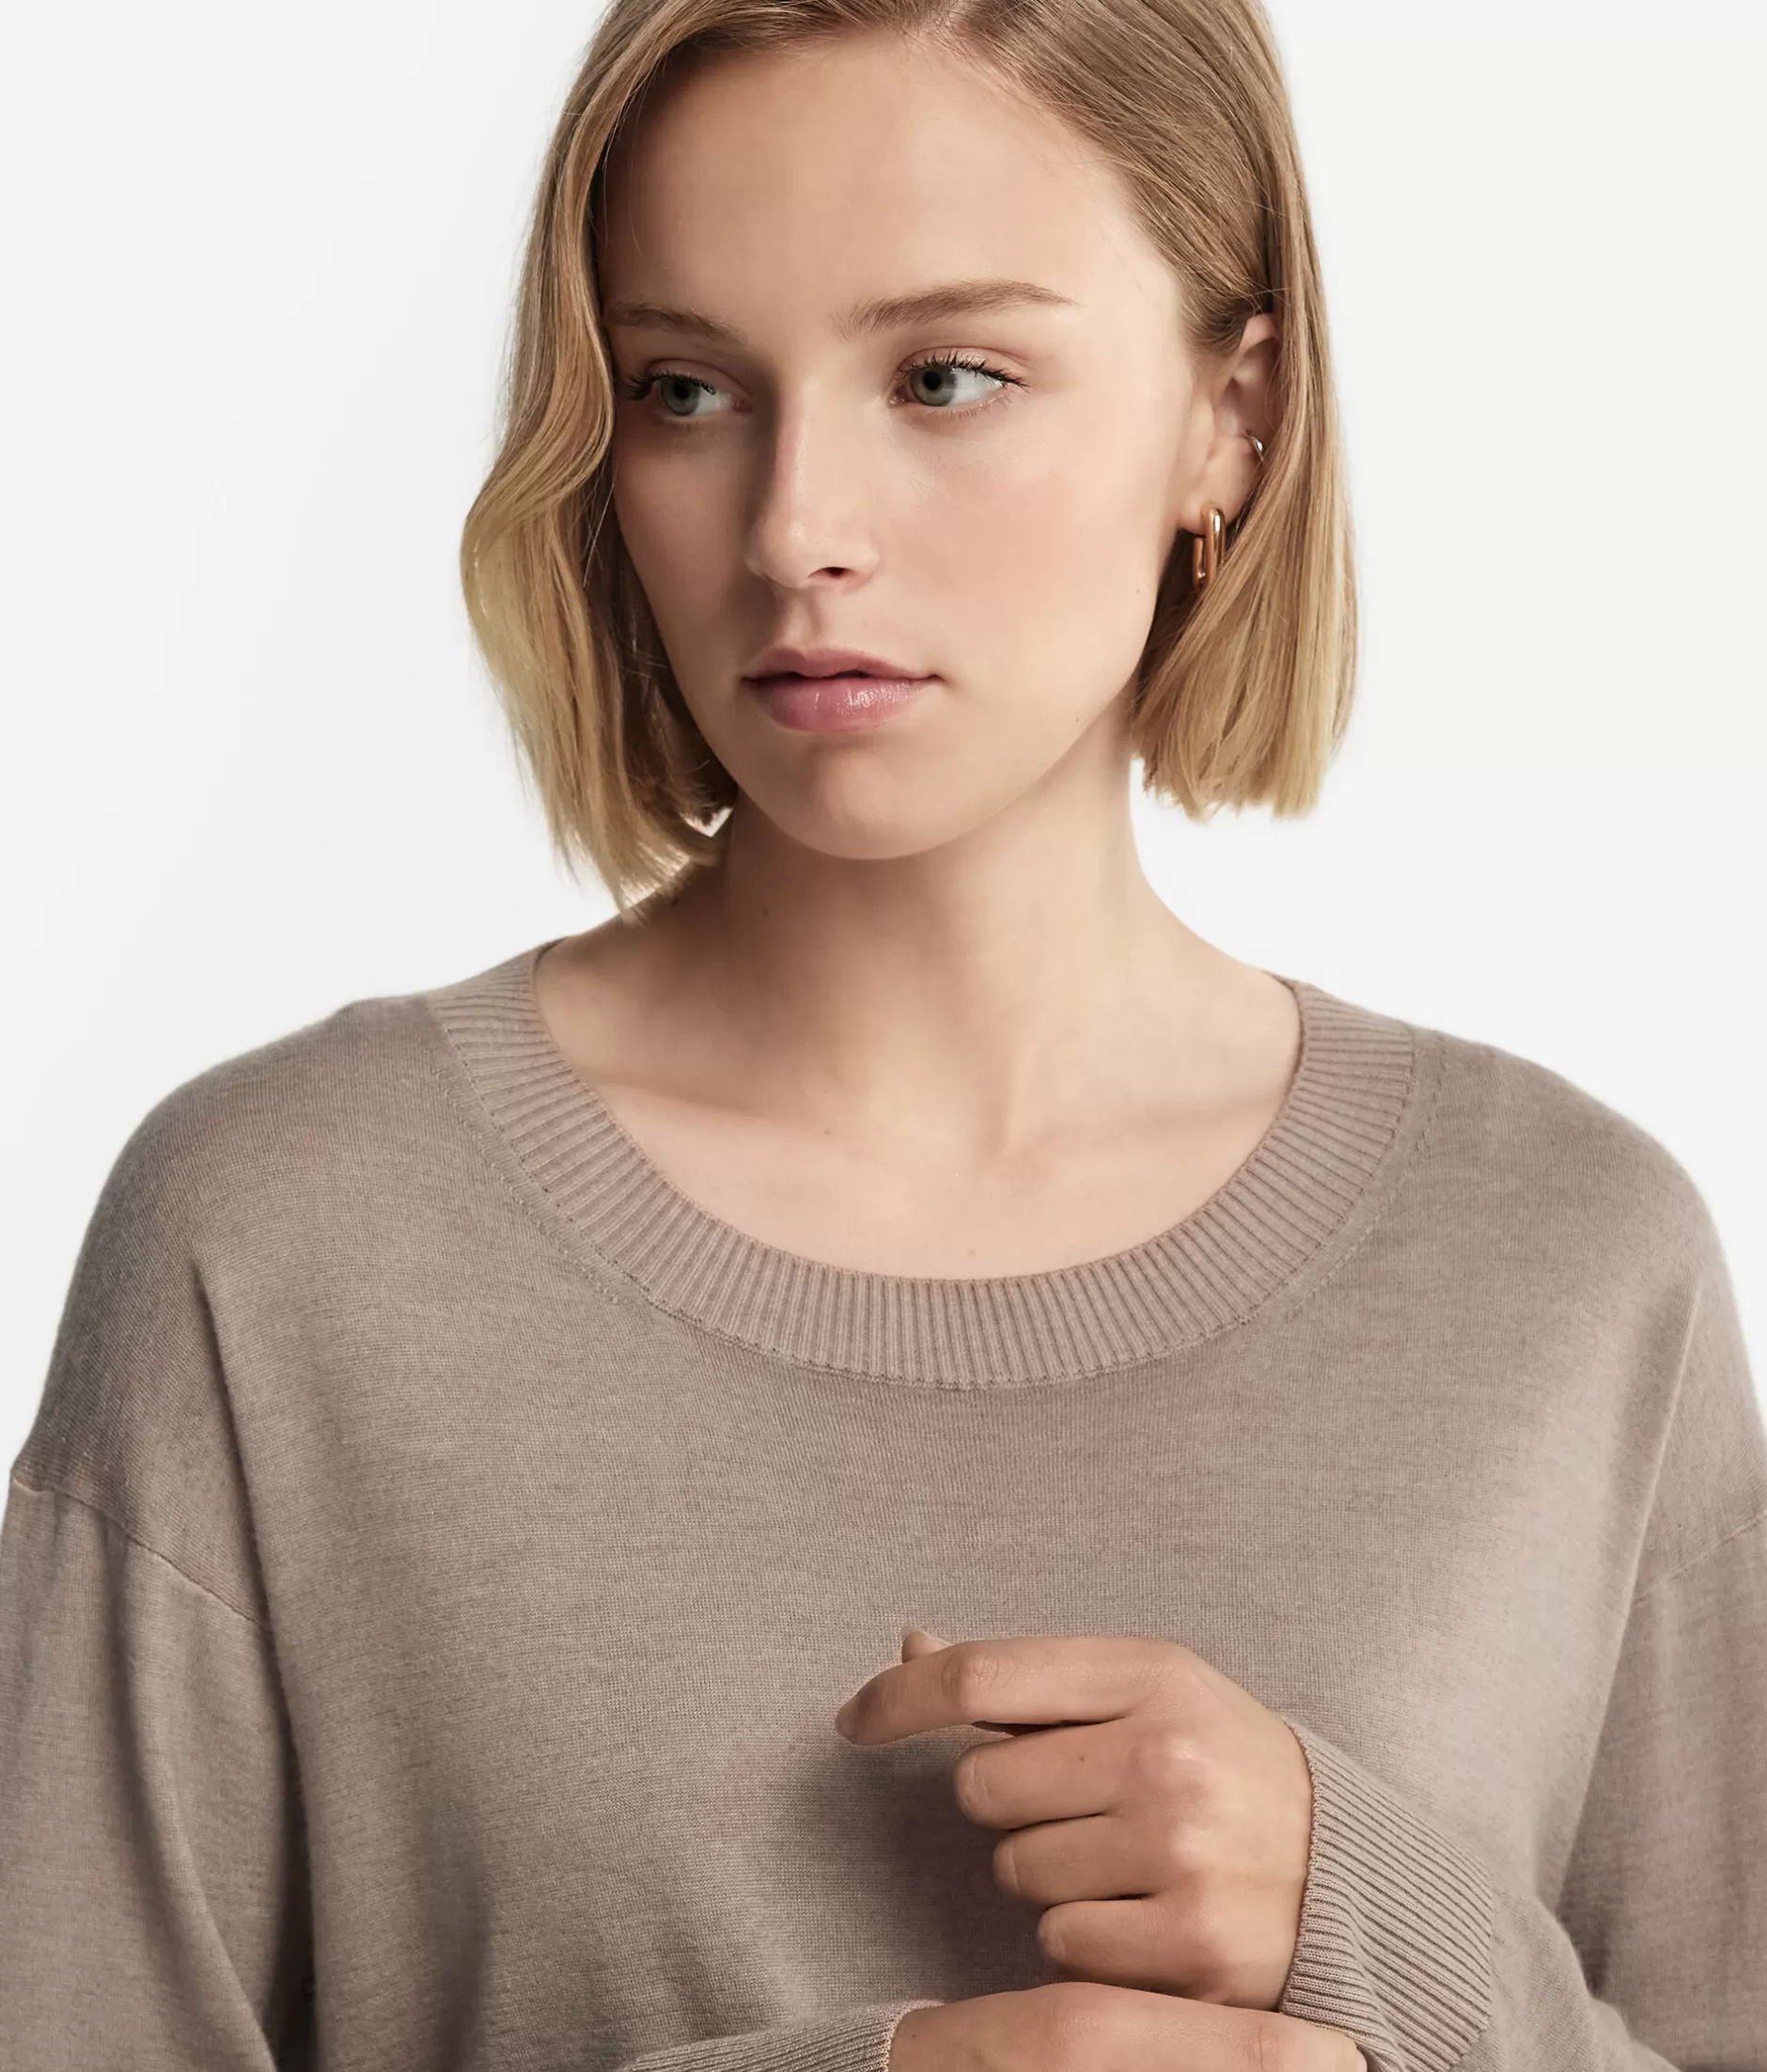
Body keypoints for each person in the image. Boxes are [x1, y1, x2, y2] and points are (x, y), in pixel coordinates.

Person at [2, 3, 1761, 2068]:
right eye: (684, 390)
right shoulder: (285, 1244)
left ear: (1233, 419)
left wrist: (1374, 1920)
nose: (790, 528)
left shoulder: (1564, 1264)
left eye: (945, 377)